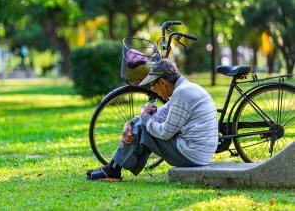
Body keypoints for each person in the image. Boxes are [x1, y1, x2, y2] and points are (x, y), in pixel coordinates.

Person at [87, 59, 218, 182]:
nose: (153, 90)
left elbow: (165, 133)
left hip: (192, 154)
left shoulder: (182, 93)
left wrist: (144, 118)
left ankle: (113, 169)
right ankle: (113, 167)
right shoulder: (186, 88)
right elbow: (159, 114)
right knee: (143, 125)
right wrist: (131, 122)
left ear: (163, 82)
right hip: (200, 154)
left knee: (144, 128)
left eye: (153, 85)